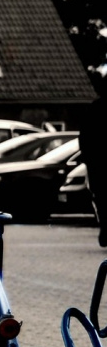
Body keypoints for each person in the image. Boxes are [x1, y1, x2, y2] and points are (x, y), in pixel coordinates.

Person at [78, 97, 107, 246]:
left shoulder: (95, 108)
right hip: (97, 162)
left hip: (97, 163)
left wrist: (87, 157)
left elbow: (84, 137)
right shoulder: (96, 108)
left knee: (100, 197)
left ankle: (104, 227)